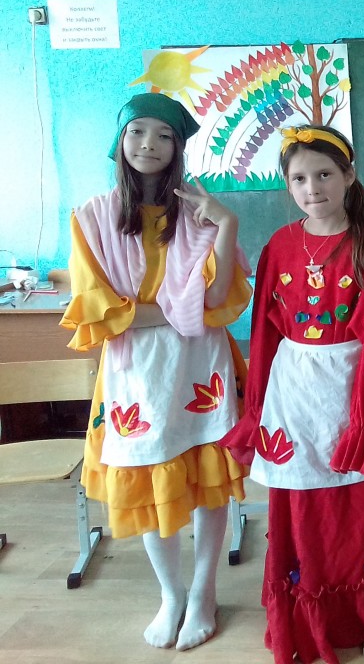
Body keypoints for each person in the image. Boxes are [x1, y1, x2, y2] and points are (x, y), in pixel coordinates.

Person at [221, 126, 364, 663]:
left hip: (353, 388)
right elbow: (264, 334)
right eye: (299, 178)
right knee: (303, 504)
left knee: (356, 507)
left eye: (325, 174)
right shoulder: (279, 246)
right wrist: (256, 408)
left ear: (349, 175)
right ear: (288, 185)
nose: (312, 187)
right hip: (293, 391)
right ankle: (305, 617)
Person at [60, 93, 252, 650]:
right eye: (138, 132)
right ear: (120, 140)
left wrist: (227, 223)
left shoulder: (197, 212)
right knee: (146, 476)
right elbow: (102, 311)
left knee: (209, 482)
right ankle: (171, 594)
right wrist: (182, 310)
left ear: (178, 147)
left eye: (164, 135)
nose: (149, 144)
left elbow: (218, 298)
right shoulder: (92, 217)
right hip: (135, 375)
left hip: (200, 368)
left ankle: (204, 592)